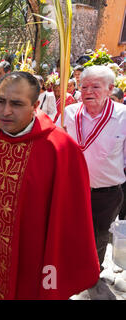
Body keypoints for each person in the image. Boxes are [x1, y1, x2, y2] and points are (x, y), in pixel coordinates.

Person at [0, 71, 100, 299]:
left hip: (32, 258)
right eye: (1, 102)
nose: (5, 112)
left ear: (35, 105)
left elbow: (70, 218)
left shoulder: (61, 149)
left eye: (16, 104)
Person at [57, 65, 126, 269]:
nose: (87, 91)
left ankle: (93, 270)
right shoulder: (68, 113)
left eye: (95, 86)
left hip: (107, 192)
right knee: (70, 231)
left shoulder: (122, 115)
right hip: (72, 189)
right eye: (83, 86)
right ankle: (70, 269)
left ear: (110, 89)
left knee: (99, 235)